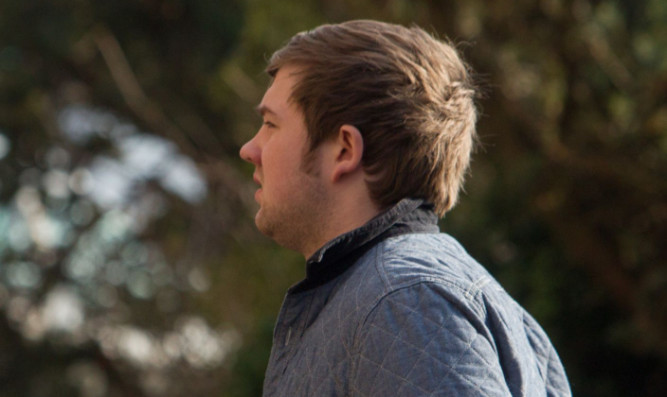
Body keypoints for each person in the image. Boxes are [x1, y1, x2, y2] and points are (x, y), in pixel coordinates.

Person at [239, 20, 571, 397]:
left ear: (344, 149)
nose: (250, 149)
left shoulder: (406, 302)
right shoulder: (402, 296)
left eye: (270, 124)